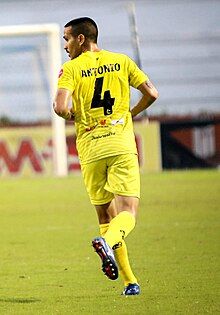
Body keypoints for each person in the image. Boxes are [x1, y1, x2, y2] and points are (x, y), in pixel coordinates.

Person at [53, 17, 158, 296]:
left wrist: (75, 115)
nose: (64, 46)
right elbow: (152, 93)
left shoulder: (71, 69)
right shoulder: (122, 61)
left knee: (105, 214)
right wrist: (130, 114)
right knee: (128, 213)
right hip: (121, 145)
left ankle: (130, 282)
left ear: (81, 39)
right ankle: (108, 244)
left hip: (90, 150)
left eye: (66, 38)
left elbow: (59, 107)